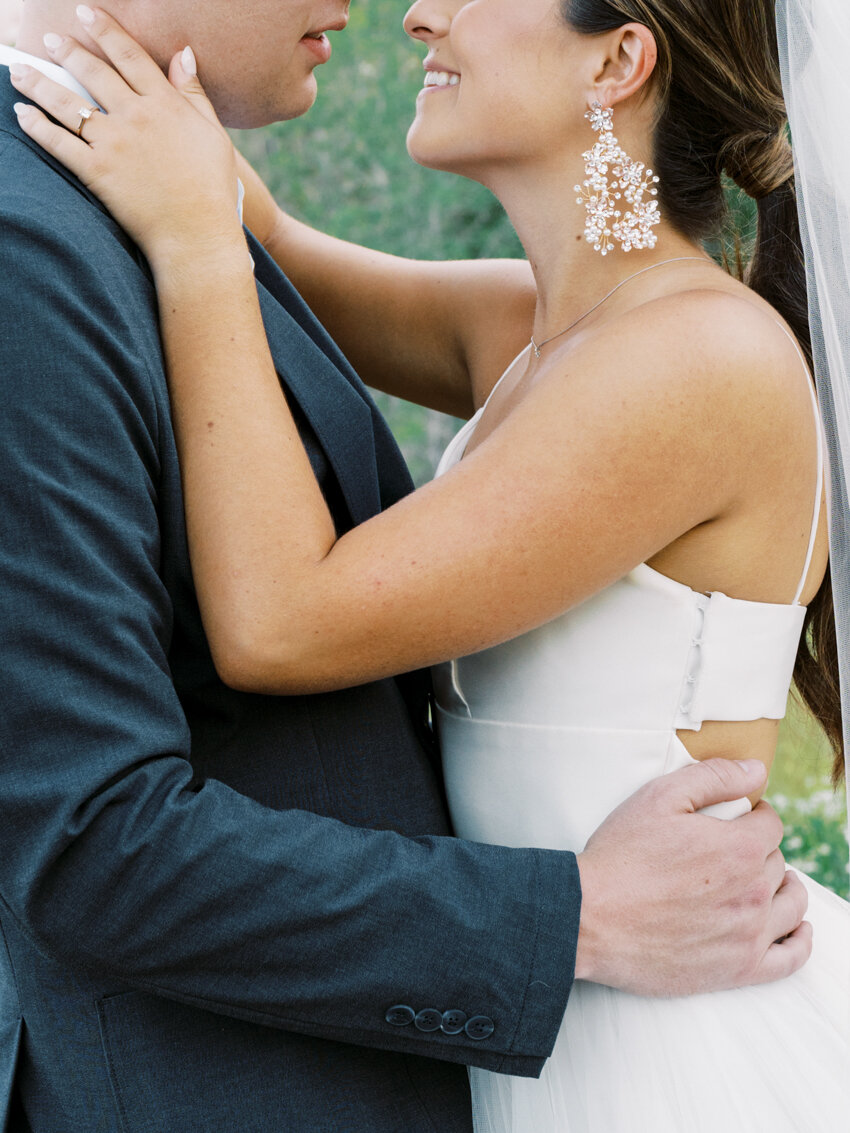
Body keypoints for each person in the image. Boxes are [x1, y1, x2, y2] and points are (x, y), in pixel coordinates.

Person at [14, 0, 850, 1129]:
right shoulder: (532, 331)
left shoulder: (697, 361)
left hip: (653, 1029)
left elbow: (278, 621)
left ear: (616, 57)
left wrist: (197, 247)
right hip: (529, 1014)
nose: (416, 15)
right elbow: (275, 243)